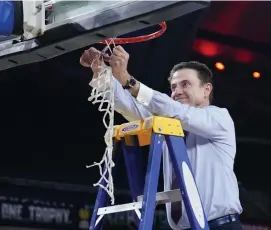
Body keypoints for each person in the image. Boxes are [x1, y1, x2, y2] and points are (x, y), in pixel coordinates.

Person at [80, 46, 243, 230]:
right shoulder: (167, 122)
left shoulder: (219, 118)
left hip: (220, 226)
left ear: (206, 90)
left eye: (185, 84)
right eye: (173, 87)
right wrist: (100, 70)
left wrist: (128, 80)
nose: (177, 91)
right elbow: (129, 106)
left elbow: (178, 112)